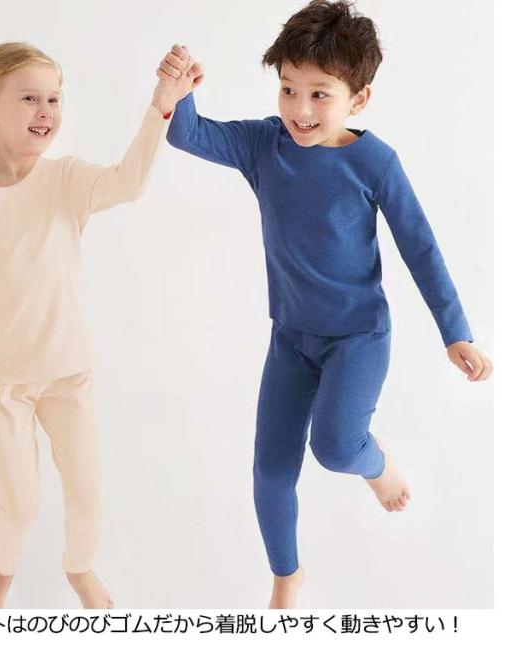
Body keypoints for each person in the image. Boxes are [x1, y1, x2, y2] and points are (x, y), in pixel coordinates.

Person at [161, 0, 493, 608]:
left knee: (337, 447)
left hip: (357, 338)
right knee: (269, 473)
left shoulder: (374, 161)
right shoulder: (264, 144)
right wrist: (178, 93)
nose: (301, 109)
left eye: (320, 94)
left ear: (358, 99)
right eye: (288, 89)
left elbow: (420, 246)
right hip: (290, 338)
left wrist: (456, 332)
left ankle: (377, 465)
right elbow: (187, 133)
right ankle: (286, 576)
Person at [0, 41, 189, 609]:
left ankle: (80, 567)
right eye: (30, 98)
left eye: (54, 99)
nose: (46, 111)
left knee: (88, 495)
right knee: (22, 503)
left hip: (67, 373)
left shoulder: (66, 179)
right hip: (1, 380)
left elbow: (129, 182)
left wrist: (161, 107)